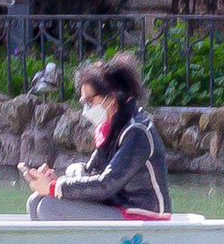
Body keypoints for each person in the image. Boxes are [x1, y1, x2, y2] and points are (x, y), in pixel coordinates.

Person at [20, 53, 168, 220]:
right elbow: (91, 173)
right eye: (84, 102)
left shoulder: (137, 132)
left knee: (48, 207)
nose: (86, 109)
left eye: (90, 101)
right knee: (35, 201)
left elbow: (106, 184)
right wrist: (54, 180)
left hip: (141, 214)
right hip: (115, 205)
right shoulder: (112, 126)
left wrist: (55, 187)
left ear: (111, 98)